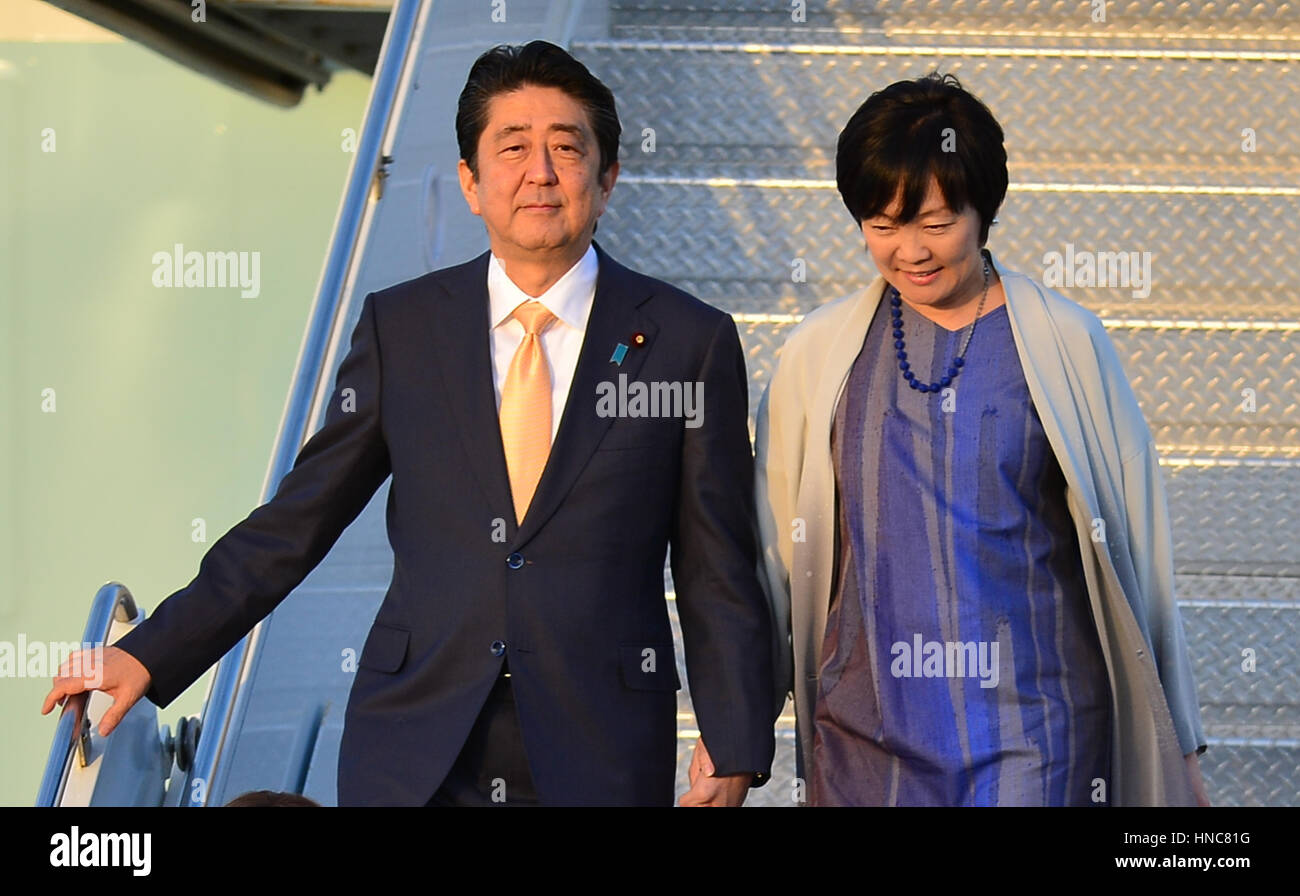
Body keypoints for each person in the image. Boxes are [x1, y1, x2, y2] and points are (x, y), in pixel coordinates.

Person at [43, 40, 775, 807]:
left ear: (608, 176)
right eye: (513, 148)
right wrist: (150, 653)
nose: (541, 172)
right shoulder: (404, 329)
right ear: (470, 182)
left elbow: (713, 563)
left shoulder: (688, 341)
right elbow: (299, 519)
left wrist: (734, 740)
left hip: (601, 744)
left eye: (567, 148)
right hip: (416, 743)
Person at [754, 72, 1209, 806]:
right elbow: (774, 559)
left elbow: (1138, 555)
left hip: (1035, 739)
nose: (911, 251)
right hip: (864, 743)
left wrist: (1177, 745)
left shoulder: (1065, 342)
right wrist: (736, 734)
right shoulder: (818, 355)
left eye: (936, 223)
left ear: (983, 208)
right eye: (883, 224)